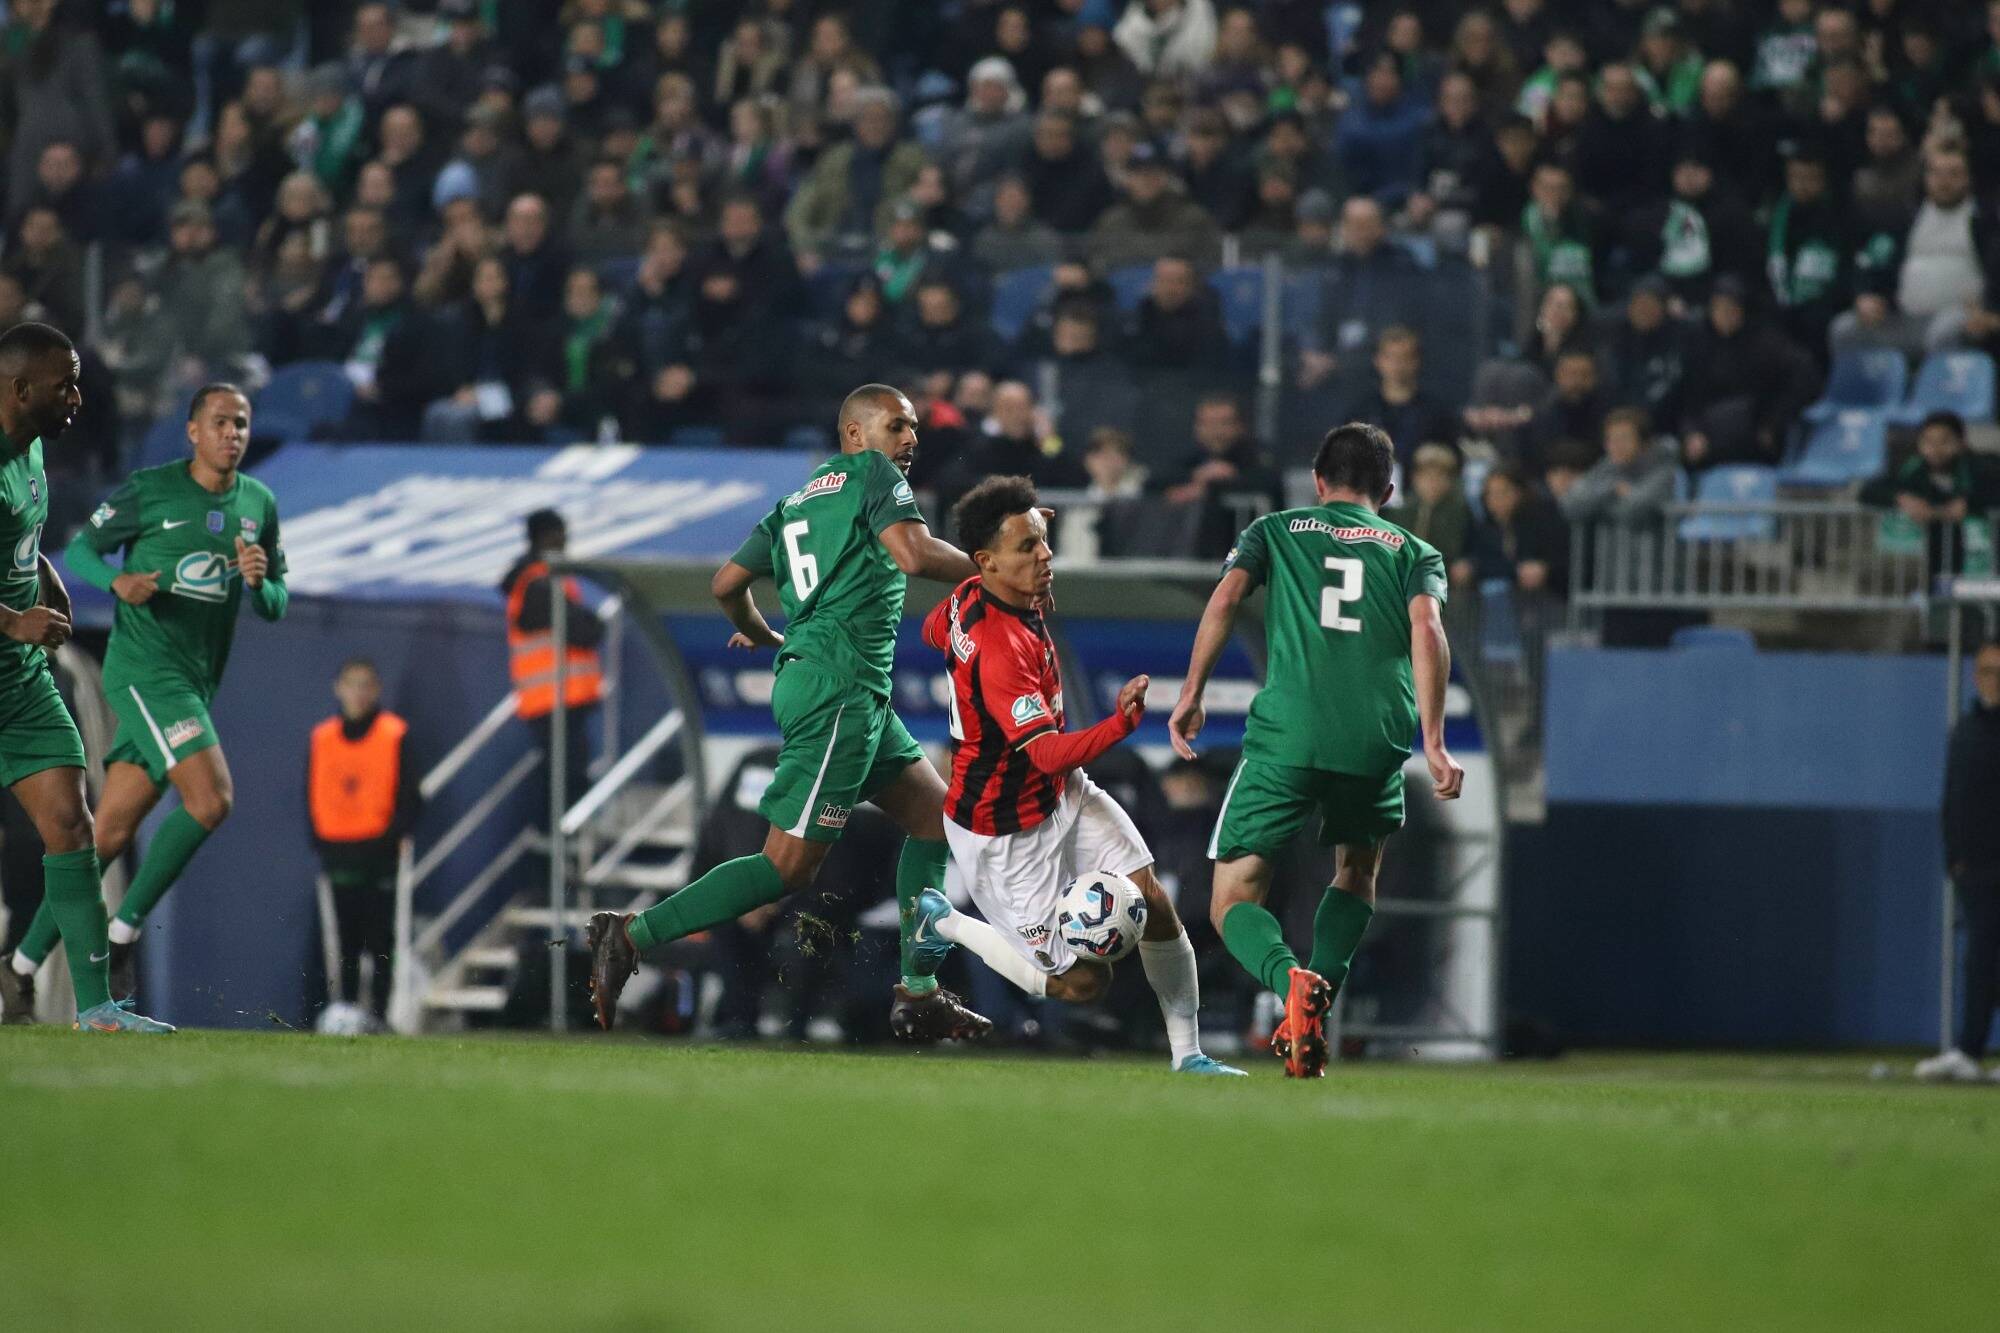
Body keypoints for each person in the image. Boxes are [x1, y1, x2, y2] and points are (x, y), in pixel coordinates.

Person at [582, 385, 990, 1042]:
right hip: (838, 690)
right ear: (855, 434)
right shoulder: (874, 475)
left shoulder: (795, 502)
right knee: (787, 867)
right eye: (897, 425)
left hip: (845, 687)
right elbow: (914, 555)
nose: (911, 438)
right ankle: (631, 934)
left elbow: (726, 585)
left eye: (914, 427)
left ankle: (919, 991)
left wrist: (772, 634)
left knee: (935, 820)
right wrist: (992, 572)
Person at [906, 476, 1241, 1075]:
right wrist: (1118, 724)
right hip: (1003, 835)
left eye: (1042, 540)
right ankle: (946, 921)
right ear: (986, 561)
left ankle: (1188, 1055)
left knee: (1152, 899)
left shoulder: (971, 596)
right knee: (1083, 984)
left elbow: (936, 629)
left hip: (1060, 795)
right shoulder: (1001, 648)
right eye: (1027, 547)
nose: (1045, 555)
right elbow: (1045, 754)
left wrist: (1022, 528)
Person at [1169, 422, 1463, 1078]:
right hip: (1375, 737)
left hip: (1289, 733)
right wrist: (1435, 740)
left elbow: (1225, 597)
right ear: (1389, 491)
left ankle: (1289, 981)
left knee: (1233, 898)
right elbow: (1428, 629)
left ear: (1317, 481)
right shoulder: (1415, 550)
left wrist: (1191, 693)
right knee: (1356, 872)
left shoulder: (1275, 529)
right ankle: (1318, 1003)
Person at [6, 380, 284, 1017]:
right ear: (193, 431)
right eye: (220, 422)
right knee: (211, 799)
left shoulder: (258, 504)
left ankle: (17, 968)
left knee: (104, 836)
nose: (232, 434)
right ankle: (123, 933)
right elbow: (80, 551)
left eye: (241, 424)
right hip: (145, 670)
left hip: (195, 679)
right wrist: (118, 581)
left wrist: (260, 583)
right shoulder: (151, 491)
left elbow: (275, 603)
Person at [0, 324, 167, 1031]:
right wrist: (13, 620)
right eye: (64, 385)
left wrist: (49, 577)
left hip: (17, 681)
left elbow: (19, 539)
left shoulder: (32, 450)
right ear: (19, 389)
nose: (77, 397)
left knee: (72, 825)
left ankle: (97, 1009)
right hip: (11, 644)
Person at [307, 658, 419, 1028]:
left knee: (381, 940)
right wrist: (321, 841)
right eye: (351, 684)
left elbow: (411, 796)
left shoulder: (394, 733)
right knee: (344, 941)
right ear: (338, 688)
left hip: (380, 853)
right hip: (339, 852)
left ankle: (380, 1016)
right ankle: (346, 1011)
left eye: (365, 684)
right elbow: (313, 791)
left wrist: (392, 837)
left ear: (377, 689)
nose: (358, 693)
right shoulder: (323, 737)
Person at [1920, 642, 2000, 1081]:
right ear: (1975, 677)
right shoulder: (1967, 731)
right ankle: (1969, 1050)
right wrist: (1955, 856)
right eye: (1988, 671)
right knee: (1980, 960)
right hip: (1977, 867)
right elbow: (1953, 796)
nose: (1994, 681)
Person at [500, 510, 604, 823]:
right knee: (564, 780)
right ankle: (557, 839)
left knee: (565, 776)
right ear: (543, 537)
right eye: (559, 534)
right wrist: (592, 621)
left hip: (561, 697)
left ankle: (560, 835)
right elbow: (585, 630)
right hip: (553, 697)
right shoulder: (538, 583)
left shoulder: (546, 578)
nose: (565, 541)